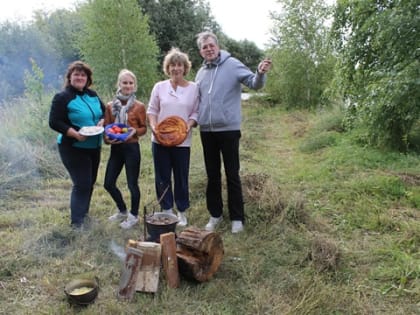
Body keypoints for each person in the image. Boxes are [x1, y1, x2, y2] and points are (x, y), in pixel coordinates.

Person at [195, 31, 272, 234]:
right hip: (207, 131)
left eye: (211, 45)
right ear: (200, 52)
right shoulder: (200, 73)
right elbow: (197, 100)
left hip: (228, 130)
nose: (208, 49)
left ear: (217, 46)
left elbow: (254, 84)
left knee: (232, 174)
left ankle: (237, 218)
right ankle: (215, 214)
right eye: (204, 47)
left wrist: (261, 72)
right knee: (212, 175)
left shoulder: (232, 64)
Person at [49, 61, 105, 228]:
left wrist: (102, 122)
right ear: (70, 77)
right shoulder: (62, 97)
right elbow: (54, 122)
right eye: (76, 74)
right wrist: (75, 134)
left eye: (83, 75)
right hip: (72, 147)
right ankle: (76, 224)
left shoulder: (92, 95)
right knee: (81, 183)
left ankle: (84, 214)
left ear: (87, 78)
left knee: (90, 181)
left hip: (94, 146)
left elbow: (103, 113)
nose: (80, 77)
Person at [147, 47, 199, 227]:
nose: (176, 68)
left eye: (179, 65)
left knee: (181, 177)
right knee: (162, 176)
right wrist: (154, 127)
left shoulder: (194, 88)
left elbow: (195, 113)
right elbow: (152, 111)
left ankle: (182, 211)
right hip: (160, 140)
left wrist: (187, 127)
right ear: (167, 68)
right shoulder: (159, 87)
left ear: (185, 68)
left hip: (182, 141)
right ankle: (167, 210)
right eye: (172, 65)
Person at [104, 69, 147, 229]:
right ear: (119, 84)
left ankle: (134, 215)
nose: (127, 86)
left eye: (130, 83)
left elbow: (144, 128)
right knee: (108, 183)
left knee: (132, 184)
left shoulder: (139, 106)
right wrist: (107, 139)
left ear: (134, 86)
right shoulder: (110, 106)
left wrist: (135, 131)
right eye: (124, 82)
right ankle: (122, 210)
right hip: (116, 149)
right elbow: (107, 128)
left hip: (131, 148)